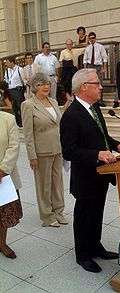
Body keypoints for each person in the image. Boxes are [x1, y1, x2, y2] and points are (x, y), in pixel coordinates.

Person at [60, 68, 120, 273]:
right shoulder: (71, 115)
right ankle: (83, 255)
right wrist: (96, 155)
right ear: (84, 87)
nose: (101, 87)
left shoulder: (94, 108)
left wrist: (117, 145)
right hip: (85, 178)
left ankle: (96, 246)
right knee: (84, 215)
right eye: (96, 83)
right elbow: (69, 151)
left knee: (97, 212)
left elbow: (102, 137)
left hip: (102, 174)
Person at [21, 73, 67, 228]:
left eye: (47, 83)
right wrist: (31, 155)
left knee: (57, 183)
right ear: (35, 87)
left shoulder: (53, 101)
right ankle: (47, 216)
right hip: (41, 152)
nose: (46, 86)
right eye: (41, 84)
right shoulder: (28, 105)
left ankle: (58, 211)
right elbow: (27, 133)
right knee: (44, 185)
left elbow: (57, 123)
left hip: (57, 148)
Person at [0, 111, 22, 259]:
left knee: (4, 213)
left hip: (4, 176)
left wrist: (2, 170)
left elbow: (14, 146)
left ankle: (2, 242)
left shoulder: (8, 119)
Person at [83, 32, 108, 107]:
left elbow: (105, 58)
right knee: (91, 83)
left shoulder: (100, 47)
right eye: (90, 38)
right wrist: (85, 69)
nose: (92, 39)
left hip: (98, 67)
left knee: (99, 83)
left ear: (95, 38)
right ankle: (92, 100)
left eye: (93, 38)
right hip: (90, 66)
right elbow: (85, 59)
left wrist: (104, 68)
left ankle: (100, 100)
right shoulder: (87, 48)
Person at [4, 56, 25, 127]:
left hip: (18, 90)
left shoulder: (20, 69)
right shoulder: (7, 71)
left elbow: (24, 80)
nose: (6, 64)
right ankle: (17, 122)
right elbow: (6, 80)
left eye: (7, 62)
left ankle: (23, 122)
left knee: (20, 107)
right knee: (14, 108)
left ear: (12, 62)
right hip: (10, 91)